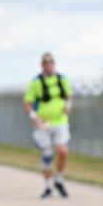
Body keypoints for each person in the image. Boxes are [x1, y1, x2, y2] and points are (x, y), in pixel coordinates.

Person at [22, 52, 72, 198]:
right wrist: (34, 116)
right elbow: (27, 103)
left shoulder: (62, 80)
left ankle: (59, 179)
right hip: (44, 121)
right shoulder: (36, 82)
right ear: (42, 65)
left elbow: (69, 96)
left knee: (63, 151)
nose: (49, 65)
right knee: (48, 154)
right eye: (46, 63)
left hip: (60, 120)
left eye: (51, 63)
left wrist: (68, 105)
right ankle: (48, 186)